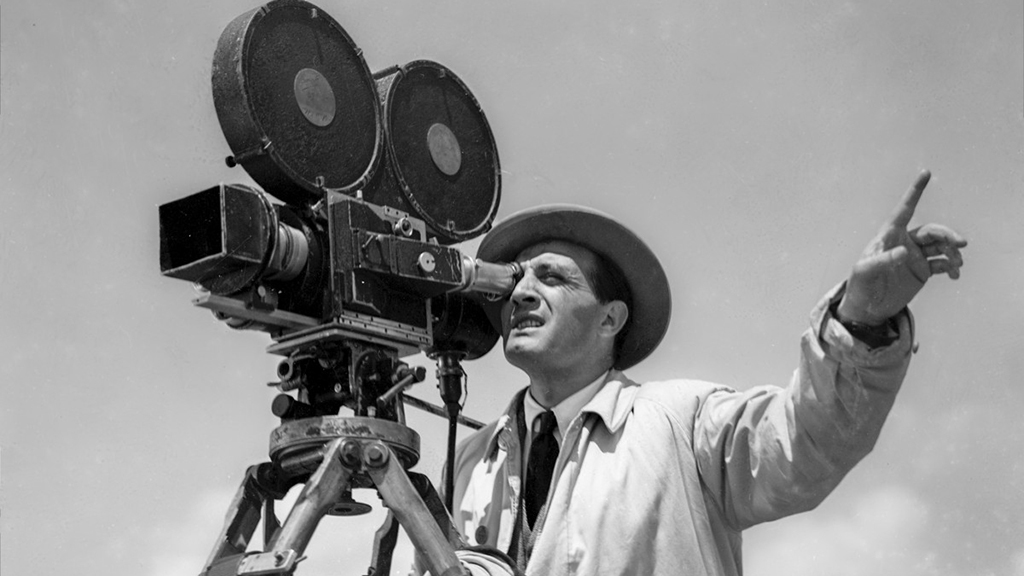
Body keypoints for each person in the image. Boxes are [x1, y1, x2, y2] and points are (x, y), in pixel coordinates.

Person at [435, 170, 966, 576]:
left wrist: (861, 320)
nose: (522, 293)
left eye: (552, 278)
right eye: (516, 280)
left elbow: (805, 442)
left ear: (609, 319)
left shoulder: (682, 422)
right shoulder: (468, 462)